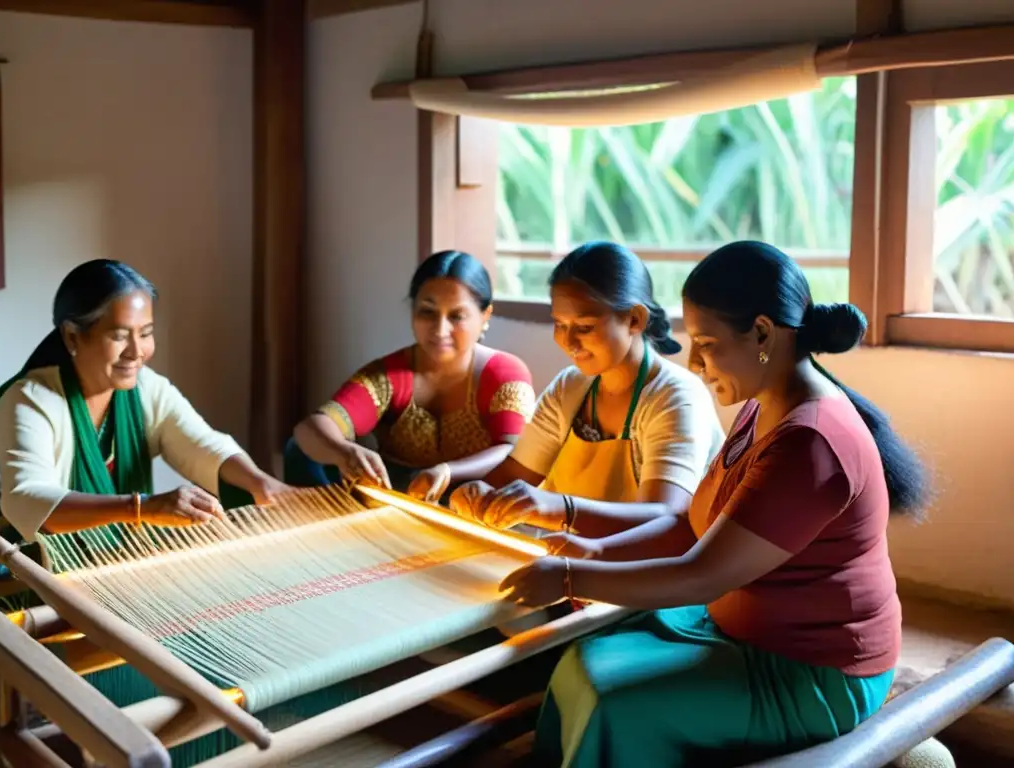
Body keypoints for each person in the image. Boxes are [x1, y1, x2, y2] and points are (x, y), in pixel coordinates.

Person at [496, 241, 929, 767]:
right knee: (580, 662)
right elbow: (691, 524)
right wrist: (592, 552)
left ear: (764, 334)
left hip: (813, 672)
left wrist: (570, 576)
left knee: (615, 700)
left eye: (705, 342)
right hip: (745, 633)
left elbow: (702, 575)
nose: (695, 361)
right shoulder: (761, 409)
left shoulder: (810, 441)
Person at [0, 259, 290, 579]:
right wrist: (142, 507)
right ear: (72, 337)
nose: (136, 351)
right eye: (119, 336)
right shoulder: (29, 401)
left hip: (117, 565)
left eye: (145, 333)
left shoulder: (147, 388)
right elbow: (28, 498)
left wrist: (260, 482)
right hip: (31, 575)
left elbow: (200, 444)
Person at [449, 240, 725, 551]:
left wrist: (561, 509)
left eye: (584, 326)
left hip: (648, 577)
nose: (568, 341)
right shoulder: (570, 386)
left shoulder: (676, 397)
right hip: (569, 564)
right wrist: (477, 493)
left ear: (635, 319)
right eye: (559, 324)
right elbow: (514, 473)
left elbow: (664, 518)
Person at [287, 250, 535, 502]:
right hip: (398, 502)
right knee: (301, 451)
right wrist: (344, 452)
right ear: (412, 311)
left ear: (485, 316)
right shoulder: (389, 375)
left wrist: (448, 472)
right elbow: (310, 429)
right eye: (427, 312)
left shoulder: (504, 374)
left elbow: (513, 452)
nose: (440, 330)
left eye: (457, 316)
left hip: (475, 502)